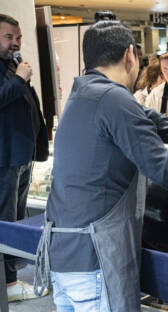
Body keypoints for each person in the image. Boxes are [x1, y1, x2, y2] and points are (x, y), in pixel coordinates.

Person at [37, 20, 168, 312]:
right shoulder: (115, 100)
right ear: (131, 55)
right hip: (96, 260)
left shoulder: (84, 94)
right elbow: (164, 170)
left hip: (65, 257)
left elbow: (165, 125)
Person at [0, 13, 49, 302]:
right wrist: (20, 80)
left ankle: (11, 278)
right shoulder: (14, 72)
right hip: (4, 159)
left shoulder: (13, 65)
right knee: (6, 222)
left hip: (20, 156)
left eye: (18, 37)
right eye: (9, 37)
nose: (16, 43)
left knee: (16, 221)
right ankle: (7, 285)